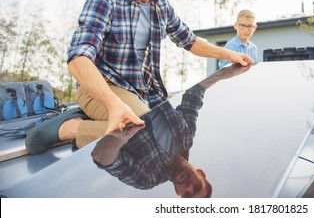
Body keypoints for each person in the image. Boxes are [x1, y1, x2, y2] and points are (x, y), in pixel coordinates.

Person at [25, 0, 252, 155]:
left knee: (172, 133)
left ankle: (96, 118)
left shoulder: (162, 7)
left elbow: (189, 41)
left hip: (142, 91)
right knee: (144, 131)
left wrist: (229, 53)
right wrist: (112, 104)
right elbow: (78, 58)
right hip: (101, 87)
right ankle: (69, 128)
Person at [91, 63, 250, 198]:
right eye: (196, 187)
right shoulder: (187, 136)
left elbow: (103, 159)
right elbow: (195, 93)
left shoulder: (148, 178)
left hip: (103, 85)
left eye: (187, 195)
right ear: (201, 173)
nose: (188, 187)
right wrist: (224, 73)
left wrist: (119, 138)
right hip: (135, 69)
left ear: (177, 191)